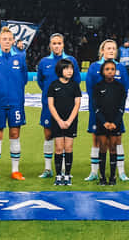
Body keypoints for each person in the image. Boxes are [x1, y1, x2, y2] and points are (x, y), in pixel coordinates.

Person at [0, 26, 28, 181]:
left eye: (10, 39)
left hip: (16, 102)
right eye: (4, 39)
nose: (7, 42)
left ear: (13, 41)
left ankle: (15, 170)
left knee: (15, 134)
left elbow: (24, 79)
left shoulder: (20, 58)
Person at [85, 39, 129, 182]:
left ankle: (121, 172)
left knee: (117, 140)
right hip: (97, 111)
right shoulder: (93, 67)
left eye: (113, 48)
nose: (111, 50)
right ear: (102, 51)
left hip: (115, 112)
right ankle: (94, 172)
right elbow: (90, 90)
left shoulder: (121, 68)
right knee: (96, 140)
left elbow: (125, 89)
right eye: (108, 48)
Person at [36, 33, 81, 179]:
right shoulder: (44, 62)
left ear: (63, 44)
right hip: (49, 105)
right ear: (50, 45)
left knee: (66, 136)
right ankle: (48, 169)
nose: (57, 46)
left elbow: (76, 81)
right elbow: (41, 82)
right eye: (54, 43)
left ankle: (64, 170)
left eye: (59, 43)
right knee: (49, 135)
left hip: (67, 106)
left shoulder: (71, 61)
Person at [47, 58, 82, 186]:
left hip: (71, 121)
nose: (69, 71)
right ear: (60, 70)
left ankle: (67, 175)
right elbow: (50, 105)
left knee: (68, 148)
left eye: (71, 68)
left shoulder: (74, 85)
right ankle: (58, 175)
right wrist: (60, 121)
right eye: (66, 68)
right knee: (59, 148)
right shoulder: (53, 85)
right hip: (57, 121)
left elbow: (77, 104)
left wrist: (69, 121)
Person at [92, 59, 128, 185]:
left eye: (112, 69)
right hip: (102, 123)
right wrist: (104, 122)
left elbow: (122, 107)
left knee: (113, 148)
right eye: (107, 69)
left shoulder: (120, 87)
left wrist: (115, 122)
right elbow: (95, 107)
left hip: (115, 123)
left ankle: (113, 177)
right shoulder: (97, 87)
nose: (110, 72)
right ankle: (102, 177)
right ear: (102, 71)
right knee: (102, 148)